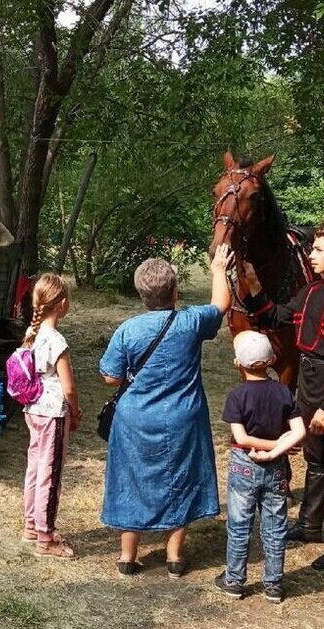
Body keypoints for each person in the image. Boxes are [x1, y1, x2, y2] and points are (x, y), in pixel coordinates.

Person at [242, 219, 324, 571]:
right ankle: (309, 525)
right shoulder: (315, 290)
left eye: (318, 249)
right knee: (315, 457)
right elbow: (275, 316)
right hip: (310, 382)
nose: (311, 255)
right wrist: (255, 287)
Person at [98, 244, 233, 578]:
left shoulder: (128, 329)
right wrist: (218, 269)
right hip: (182, 417)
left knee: (131, 479)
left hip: (134, 419)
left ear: (142, 295)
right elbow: (222, 305)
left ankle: (128, 557)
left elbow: (110, 376)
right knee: (181, 479)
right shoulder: (190, 322)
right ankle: (174, 557)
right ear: (176, 291)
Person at [215, 331, 306, 603]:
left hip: (244, 464)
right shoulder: (283, 393)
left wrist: (263, 449)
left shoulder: (237, 397)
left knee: (240, 525)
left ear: (237, 364)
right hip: (276, 467)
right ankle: (274, 585)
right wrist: (277, 448)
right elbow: (299, 431)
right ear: (273, 360)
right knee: (276, 527)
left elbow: (241, 438)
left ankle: (234, 581)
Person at [20, 273, 81, 560]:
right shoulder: (57, 341)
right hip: (53, 413)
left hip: (33, 409)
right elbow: (68, 387)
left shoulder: (32, 336)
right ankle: (46, 538)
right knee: (50, 473)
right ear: (63, 304)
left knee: (35, 468)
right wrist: (76, 411)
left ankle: (31, 525)